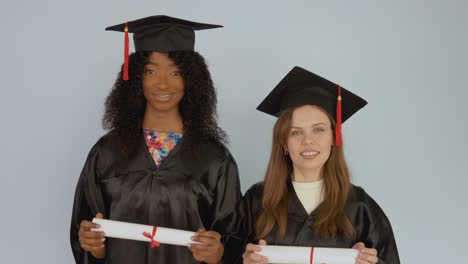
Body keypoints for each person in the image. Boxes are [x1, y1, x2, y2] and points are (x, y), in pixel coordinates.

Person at [70, 15, 242, 264]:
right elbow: (84, 232)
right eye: (151, 71)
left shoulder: (215, 159)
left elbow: (233, 240)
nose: (163, 83)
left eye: (175, 72)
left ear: (192, 80)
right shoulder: (106, 152)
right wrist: (93, 247)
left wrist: (218, 253)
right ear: (136, 77)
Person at [235, 66, 400, 264]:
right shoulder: (257, 200)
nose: (308, 141)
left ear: (333, 137)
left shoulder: (359, 206)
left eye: (318, 130)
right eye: (296, 132)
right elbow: (227, 256)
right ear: (284, 143)